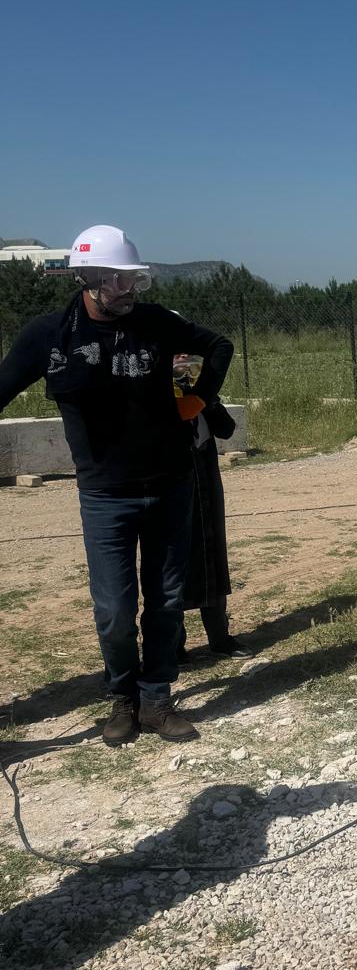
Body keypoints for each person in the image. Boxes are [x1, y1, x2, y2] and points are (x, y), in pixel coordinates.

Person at [0, 225, 233, 746]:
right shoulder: (50, 336)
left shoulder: (155, 323)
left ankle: (156, 699)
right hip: (105, 495)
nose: (130, 289)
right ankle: (122, 699)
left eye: (135, 279)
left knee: (167, 599)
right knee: (113, 611)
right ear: (89, 278)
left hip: (171, 485)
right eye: (119, 280)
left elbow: (219, 346)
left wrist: (195, 397)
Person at [173, 351, 246, 660]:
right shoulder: (149, 391)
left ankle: (220, 637)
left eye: (187, 354)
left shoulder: (200, 389)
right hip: (171, 479)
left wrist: (204, 396)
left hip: (205, 476)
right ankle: (173, 646)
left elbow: (226, 429)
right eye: (176, 353)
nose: (182, 360)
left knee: (212, 552)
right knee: (172, 563)